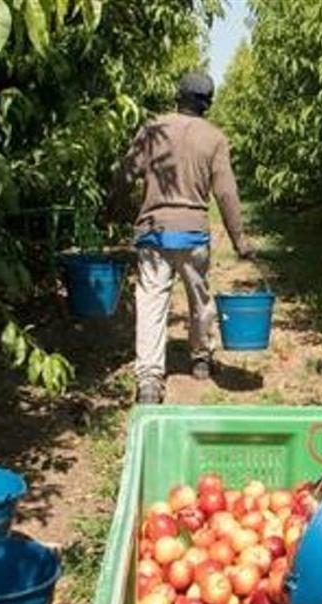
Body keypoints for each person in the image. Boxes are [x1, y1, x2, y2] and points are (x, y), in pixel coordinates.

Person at [108, 71, 255, 404]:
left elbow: (125, 174)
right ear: (208, 104)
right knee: (200, 298)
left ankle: (148, 380)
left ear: (177, 96)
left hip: (154, 232)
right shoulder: (215, 138)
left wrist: (111, 208)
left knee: (151, 302)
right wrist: (239, 240)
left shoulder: (152, 129)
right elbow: (226, 193)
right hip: (192, 234)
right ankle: (201, 358)